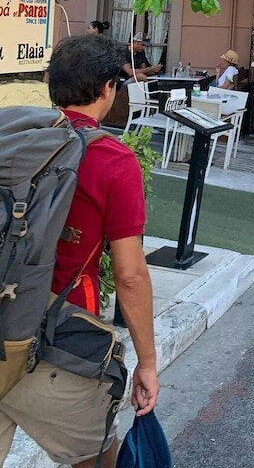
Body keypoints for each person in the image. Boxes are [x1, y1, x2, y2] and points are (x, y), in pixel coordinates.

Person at [0, 35, 159, 468]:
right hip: (58, 335)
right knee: (94, 456)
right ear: (109, 88)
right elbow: (129, 276)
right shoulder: (112, 159)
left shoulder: (13, 136)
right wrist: (147, 362)